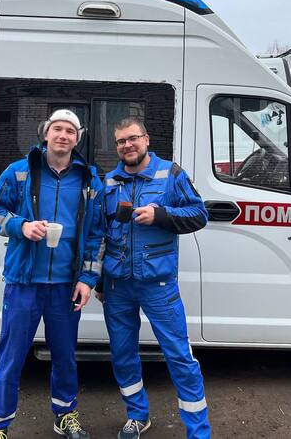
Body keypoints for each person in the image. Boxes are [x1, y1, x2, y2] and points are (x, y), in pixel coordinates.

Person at [0, 109, 105, 439]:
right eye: (57, 129)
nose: (63, 135)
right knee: (11, 357)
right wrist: (21, 226)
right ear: (46, 134)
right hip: (24, 282)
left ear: (78, 139)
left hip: (66, 286)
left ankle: (65, 415)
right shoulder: (19, 172)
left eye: (70, 131)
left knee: (65, 357)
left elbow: (96, 235)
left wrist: (87, 279)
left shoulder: (89, 180)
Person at [99, 117, 211, 439]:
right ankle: (137, 416)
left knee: (179, 357)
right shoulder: (109, 182)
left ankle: (198, 432)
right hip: (117, 286)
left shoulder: (171, 174)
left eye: (132, 138)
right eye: (121, 141)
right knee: (123, 356)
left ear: (146, 139)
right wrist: (99, 281)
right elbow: (100, 233)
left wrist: (160, 215)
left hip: (159, 286)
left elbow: (199, 215)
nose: (127, 145)